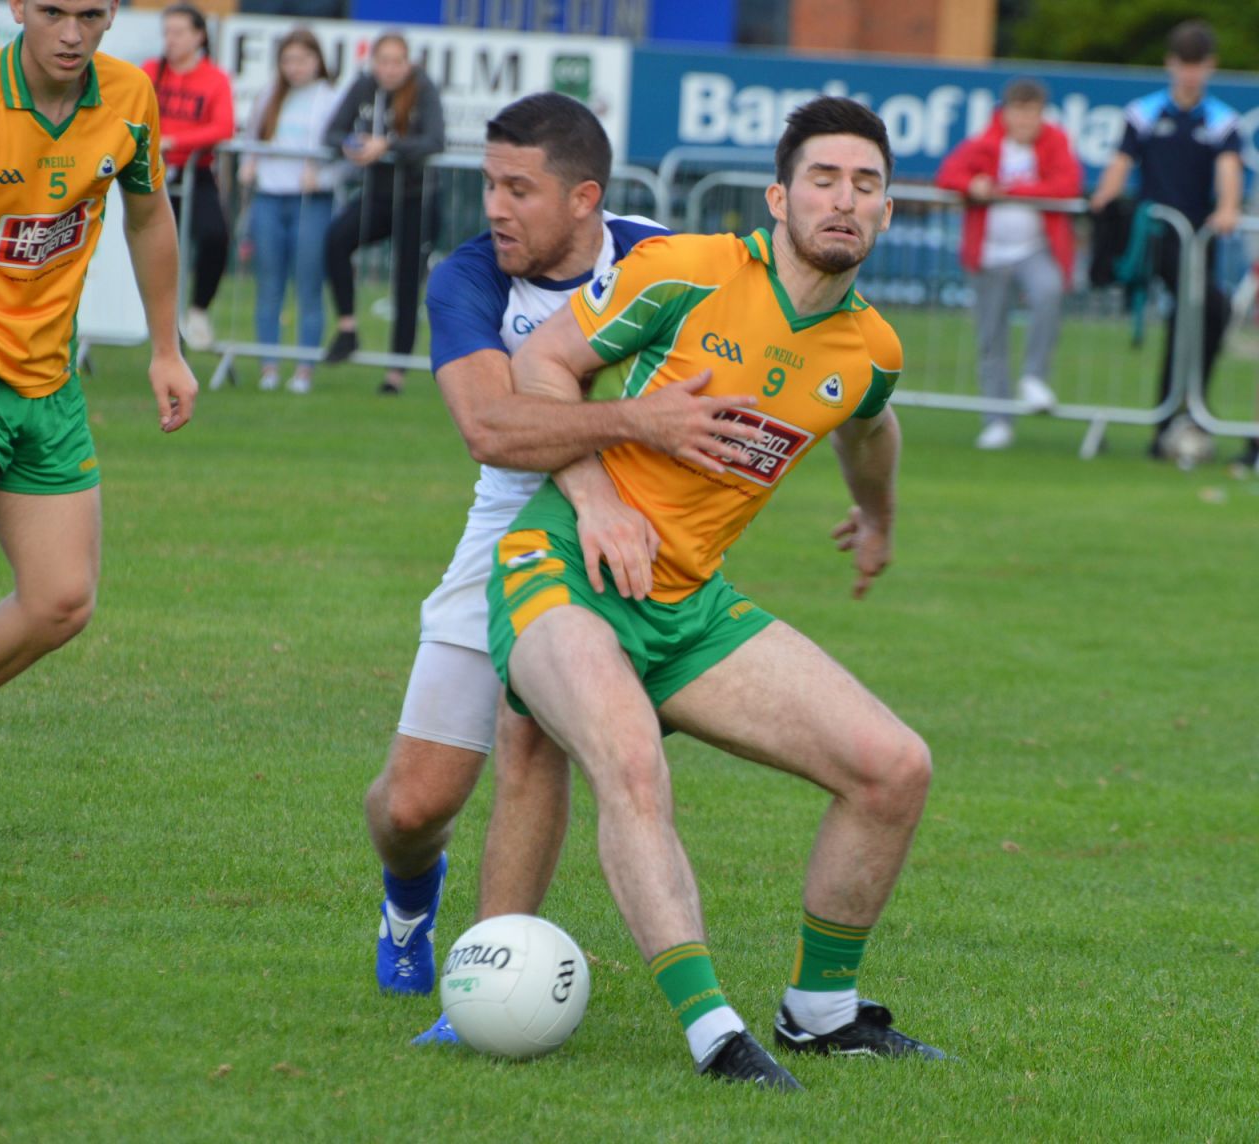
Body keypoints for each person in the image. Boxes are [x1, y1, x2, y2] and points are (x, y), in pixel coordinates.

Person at [484, 95, 943, 1089]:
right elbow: (541, 364)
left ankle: (819, 1012)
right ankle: (713, 1036)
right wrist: (599, 498)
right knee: (630, 764)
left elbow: (869, 432)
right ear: (778, 196)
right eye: (822, 178)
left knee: (892, 767)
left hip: (687, 603)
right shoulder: (683, 272)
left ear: (886, 213)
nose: (843, 199)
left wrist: (878, 521)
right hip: (561, 567)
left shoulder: (868, 350)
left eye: (865, 185)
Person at [361, 92, 764, 1045]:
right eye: (488, 184)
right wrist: (614, 455)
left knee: (533, 731)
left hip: (631, 545)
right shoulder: (466, 278)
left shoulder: (664, 260)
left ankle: (484, 982)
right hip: (507, 527)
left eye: (517, 189)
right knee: (414, 805)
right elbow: (490, 429)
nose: (494, 207)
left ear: (585, 198)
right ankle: (408, 896)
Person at [0, 0, 198, 701]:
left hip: (48, 379)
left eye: (91, 14)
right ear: (17, 6)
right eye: (52, 12)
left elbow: (148, 214)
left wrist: (166, 349)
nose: (72, 34)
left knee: (61, 601)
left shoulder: (130, 96)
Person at [1090, 18, 1242, 459]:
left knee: (1193, 319)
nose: (1190, 74)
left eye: (1198, 66)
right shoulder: (1144, 112)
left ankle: (1177, 417)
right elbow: (1121, 162)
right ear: (1171, 64)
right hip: (1159, 234)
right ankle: (1182, 412)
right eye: (1184, 64)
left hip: (1201, 237)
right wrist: (1105, 195)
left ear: (1210, 67)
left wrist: (1229, 207)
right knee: (1206, 309)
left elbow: (1229, 168)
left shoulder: (1221, 120)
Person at [936, 77, 1082, 451]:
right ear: (1006, 112)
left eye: (1032, 112)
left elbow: (1068, 184)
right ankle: (997, 420)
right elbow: (948, 175)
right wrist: (974, 186)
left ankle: (1034, 376)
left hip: (1035, 248)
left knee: (1049, 291)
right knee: (991, 338)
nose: (1025, 120)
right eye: (1019, 111)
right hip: (990, 255)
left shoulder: (1055, 142)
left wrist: (1012, 190)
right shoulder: (985, 143)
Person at [322, 32, 444, 394]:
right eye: (383, 61)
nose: (389, 69)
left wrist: (388, 145)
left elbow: (435, 141)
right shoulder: (364, 86)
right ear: (373, 62)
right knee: (335, 241)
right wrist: (352, 145)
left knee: (406, 282)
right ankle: (347, 328)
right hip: (377, 195)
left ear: (408, 63)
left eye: (397, 61)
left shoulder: (424, 88)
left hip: (418, 198)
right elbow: (332, 133)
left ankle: (396, 372)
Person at [239, 29, 340, 394]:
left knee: (308, 285)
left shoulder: (330, 98)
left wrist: (324, 174)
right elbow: (252, 139)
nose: (295, 68)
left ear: (318, 61)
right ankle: (268, 365)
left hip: (311, 201)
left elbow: (345, 154)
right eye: (288, 60)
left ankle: (304, 369)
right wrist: (247, 166)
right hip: (268, 196)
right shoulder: (270, 95)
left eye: (302, 60)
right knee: (269, 285)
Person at [141, 2, 235, 352]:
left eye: (179, 32)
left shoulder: (215, 79)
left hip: (195, 171)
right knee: (157, 248)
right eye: (167, 32)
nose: (171, 39)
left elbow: (222, 127)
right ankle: (160, 323)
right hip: (152, 172)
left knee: (214, 235)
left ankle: (198, 311)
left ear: (199, 36)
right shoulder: (151, 71)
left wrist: (175, 140)